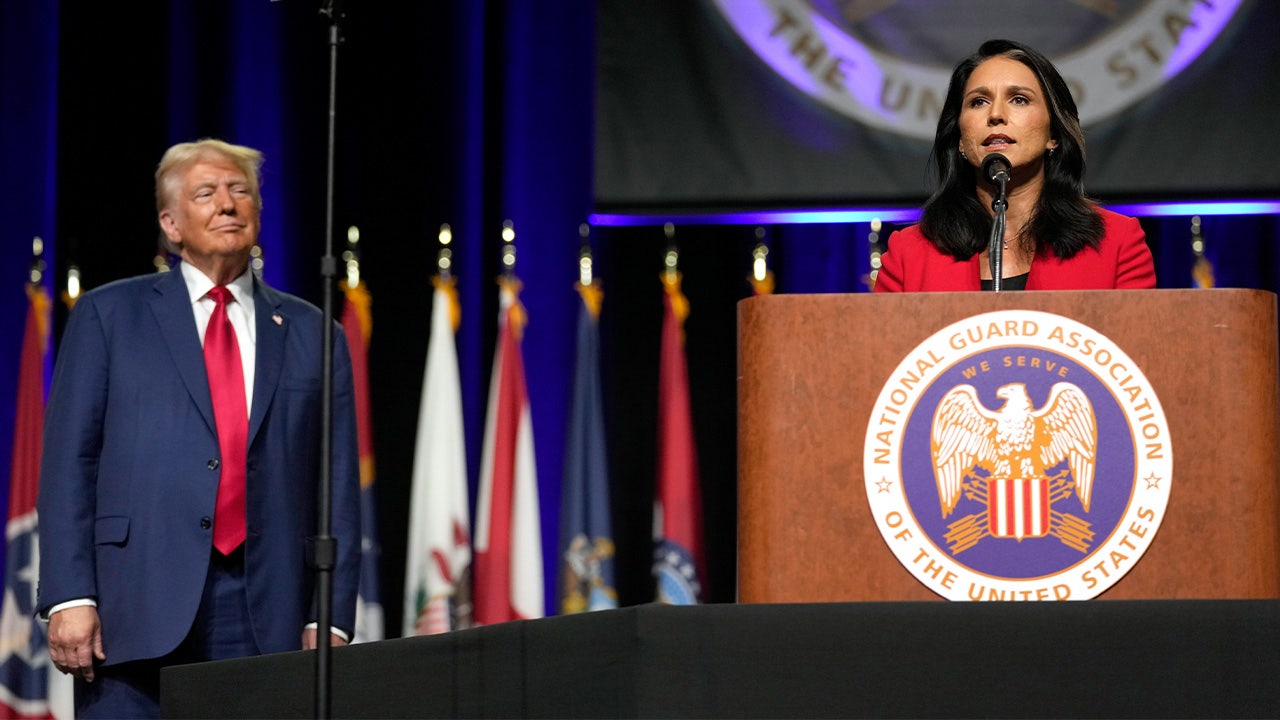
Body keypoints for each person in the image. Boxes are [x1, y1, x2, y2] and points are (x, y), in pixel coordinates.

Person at [36, 139, 362, 718]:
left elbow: (335, 482)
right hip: (131, 605)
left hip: (268, 609)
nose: (228, 205)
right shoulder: (109, 316)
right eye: (206, 193)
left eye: (241, 192)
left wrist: (329, 614)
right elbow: (68, 464)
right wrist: (69, 593)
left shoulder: (315, 332)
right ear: (171, 223)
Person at [874, 39, 1156, 292]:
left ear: (1053, 136)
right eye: (978, 102)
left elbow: (1133, 348)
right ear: (960, 139)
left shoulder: (1117, 244)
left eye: (1019, 100)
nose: (996, 115)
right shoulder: (908, 255)